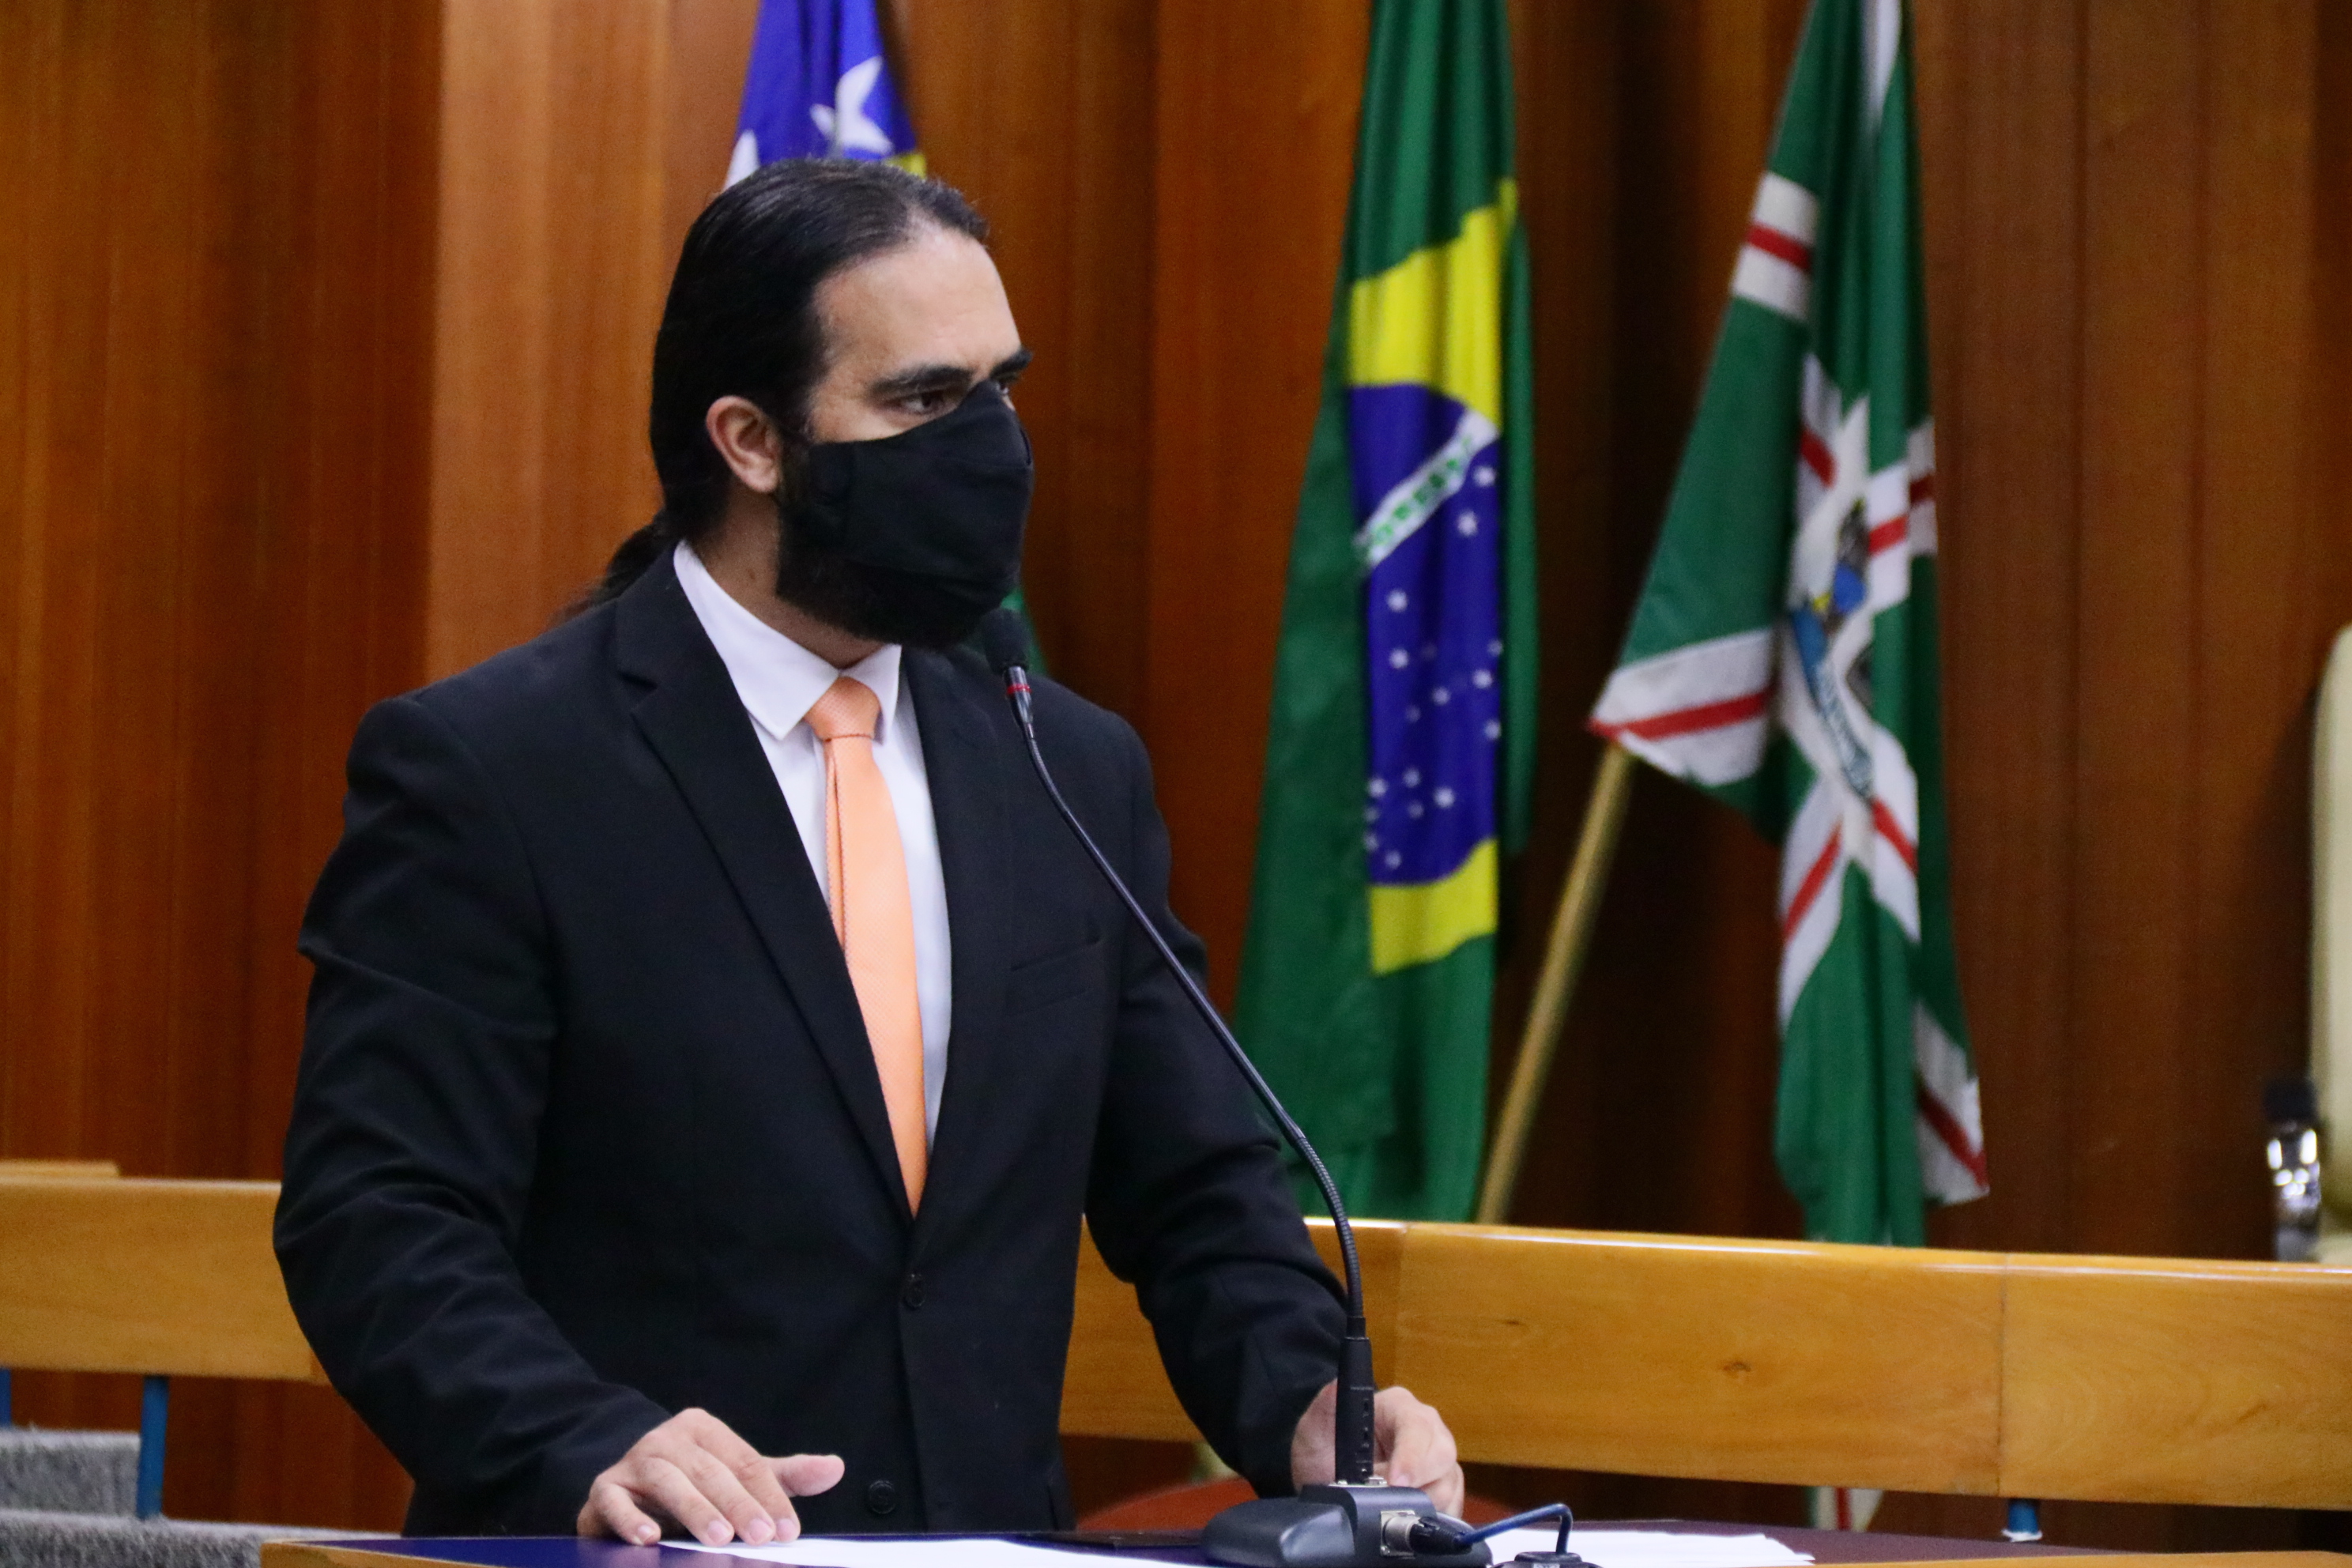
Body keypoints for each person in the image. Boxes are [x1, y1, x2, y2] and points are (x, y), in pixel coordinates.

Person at [274, 157, 1462, 1546]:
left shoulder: (1065, 765)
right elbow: (380, 1217)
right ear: (751, 440)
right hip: (642, 1552)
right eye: (925, 402)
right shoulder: (496, 770)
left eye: (1002, 389)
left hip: (985, 1544)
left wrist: (1305, 1399)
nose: (992, 446)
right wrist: (580, 1436)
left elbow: (1196, 1188)